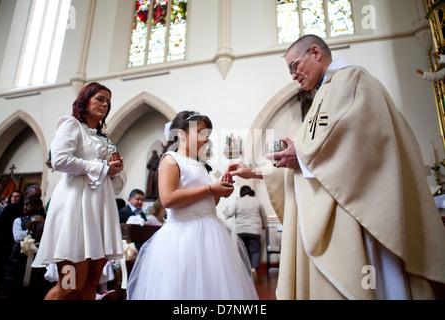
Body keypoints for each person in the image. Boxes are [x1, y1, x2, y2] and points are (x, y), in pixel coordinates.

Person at [224, 35, 445, 300]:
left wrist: (302, 153)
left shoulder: (353, 79)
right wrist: (254, 170)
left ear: (315, 52)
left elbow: (355, 140)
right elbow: (306, 153)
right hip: (342, 206)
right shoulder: (322, 96)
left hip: (360, 210)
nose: (293, 76)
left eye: (294, 66)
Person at [127, 111, 259, 300]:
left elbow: (210, 202)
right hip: (184, 235)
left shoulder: (200, 164)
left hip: (210, 232)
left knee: (213, 289)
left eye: (208, 135)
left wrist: (219, 191)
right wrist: (209, 189)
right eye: (201, 134)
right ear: (182, 134)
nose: (206, 140)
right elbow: (168, 199)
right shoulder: (171, 159)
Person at [31, 82, 127, 300]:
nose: (105, 104)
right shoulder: (71, 124)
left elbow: (111, 181)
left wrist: (114, 171)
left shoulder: (104, 139)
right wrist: (101, 167)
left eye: (108, 101)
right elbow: (60, 160)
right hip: (75, 210)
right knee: (69, 285)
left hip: (99, 212)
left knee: (92, 283)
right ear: (85, 100)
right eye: (100, 99)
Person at [2, 195, 45, 295]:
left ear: (37, 207)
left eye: (29, 205)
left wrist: (41, 225)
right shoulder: (19, 220)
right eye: (24, 205)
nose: (25, 207)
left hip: (36, 255)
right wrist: (31, 229)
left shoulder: (44, 220)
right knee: (16, 280)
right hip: (19, 256)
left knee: (34, 283)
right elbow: (17, 237)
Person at [223, 186, 267, 281]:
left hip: (241, 230)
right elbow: (263, 215)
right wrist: (264, 225)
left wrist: (225, 213)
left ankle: (246, 273)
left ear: (241, 193)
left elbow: (230, 214)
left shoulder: (238, 202)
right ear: (250, 192)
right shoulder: (257, 201)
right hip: (254, 230)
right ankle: (253, 268)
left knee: (244, 251)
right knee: (255, 251)